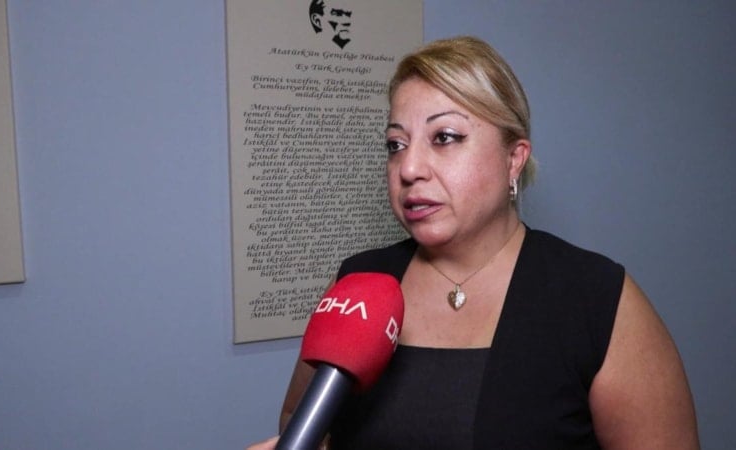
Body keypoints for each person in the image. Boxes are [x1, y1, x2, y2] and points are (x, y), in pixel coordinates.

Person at [248, 36, 699, 449]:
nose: (409, 168)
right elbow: (301, 424)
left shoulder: (597, 299)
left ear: (513, 159)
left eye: (444, 137)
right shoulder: (358, 282)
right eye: (396, 144)